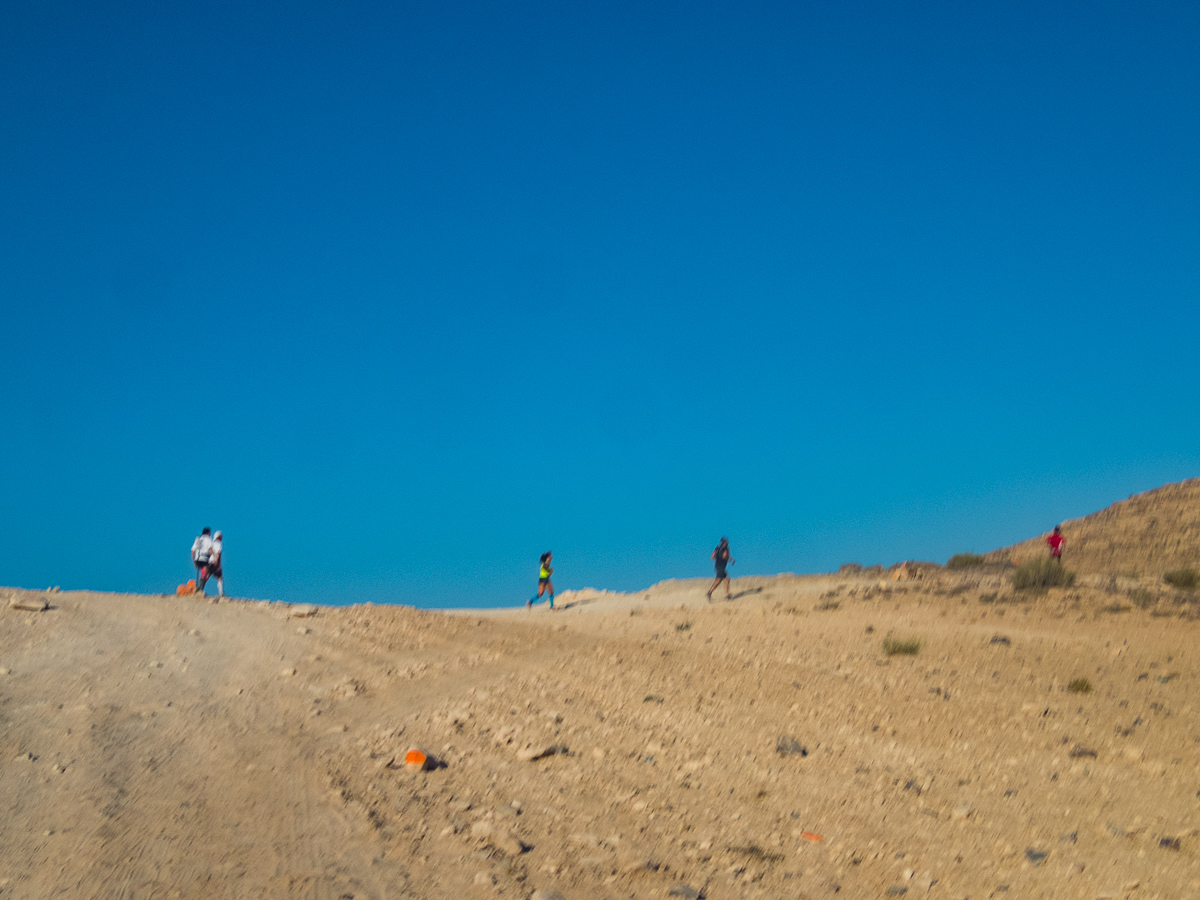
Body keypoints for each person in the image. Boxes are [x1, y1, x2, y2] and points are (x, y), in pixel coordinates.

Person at [191, 528, 213, 594]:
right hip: (204, 559)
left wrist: (194, 560)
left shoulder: (198, 539)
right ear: (208, 533)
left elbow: (192, 551)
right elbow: (210, 549)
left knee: (203, 572)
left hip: (197, 558)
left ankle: (199, 588)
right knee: (207, 573)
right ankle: (200, 589)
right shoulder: (208, 540)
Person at [208, 531, 225, 597]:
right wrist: (217, 563)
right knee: (219, 577)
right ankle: (221, 593)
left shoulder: (212, 543)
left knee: (207, 575)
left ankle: (200, 589)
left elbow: (209, 550)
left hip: (210, 561)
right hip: (215, 562)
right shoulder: (219, 544)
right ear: (219, 537)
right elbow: (218, 554)